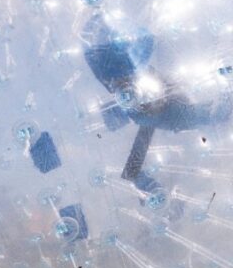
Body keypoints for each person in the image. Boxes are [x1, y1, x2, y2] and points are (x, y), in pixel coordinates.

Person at [83, 14, 233, 205]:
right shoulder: (162, 109)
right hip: (156, 105)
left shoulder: (163, 111)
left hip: (158, 106)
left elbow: (133, 166)